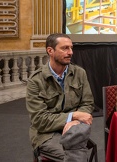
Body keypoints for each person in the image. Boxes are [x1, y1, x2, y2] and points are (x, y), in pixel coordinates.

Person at [26, 33, 94, 162]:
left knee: (78, 155)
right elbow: (39, 120)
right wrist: (71, 117)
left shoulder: (79, 73)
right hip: (45, 134)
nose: (71, 52)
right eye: (65, 48)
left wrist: (75, 122)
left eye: (71, 48)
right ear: (50, 51)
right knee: (75, 158)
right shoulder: (36, 80)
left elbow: (87, 103)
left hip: (74, 128)